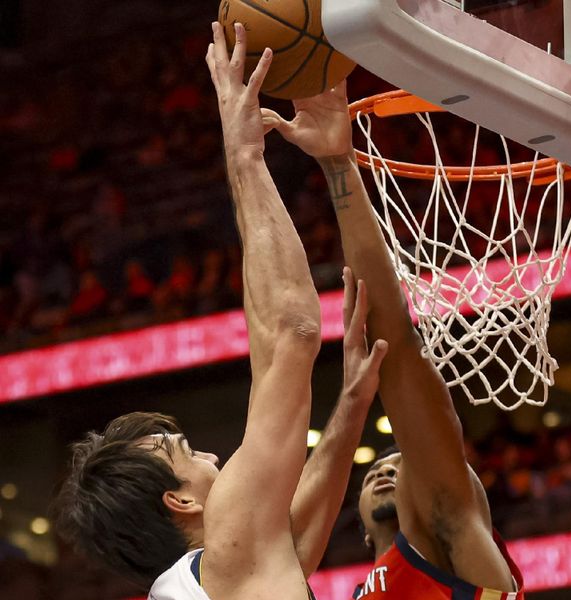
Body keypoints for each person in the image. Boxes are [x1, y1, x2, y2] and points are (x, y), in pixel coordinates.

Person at [53, 23, 387, 600]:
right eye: (188, 453)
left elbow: (299, 527)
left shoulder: (207, 579)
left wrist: (353, 401)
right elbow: (293, 332)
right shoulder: (229, 551)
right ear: (179, 501)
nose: (211, 453)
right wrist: (244, 151)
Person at [264, 84, 524, 597]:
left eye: (397, 465)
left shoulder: (448, 526)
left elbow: (397, 348)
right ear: (356, 525)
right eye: (374, 472)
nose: (386, 471)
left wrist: (339, 165)